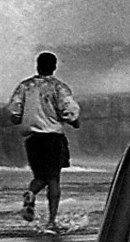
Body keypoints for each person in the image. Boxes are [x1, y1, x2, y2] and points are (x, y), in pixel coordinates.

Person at [6, 51, 80, 230]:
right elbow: (68, 111)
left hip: (32, 139)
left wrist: (22, 118)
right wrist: (74, 121)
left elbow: (14, 112)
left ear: (37, 65)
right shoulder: (58, 87)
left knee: (40, 176)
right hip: (53, 138)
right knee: (53, 178)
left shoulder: (25, 86)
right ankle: (52, 221)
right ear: (54, 67)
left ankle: (31, 193)